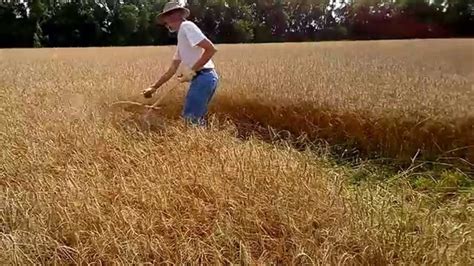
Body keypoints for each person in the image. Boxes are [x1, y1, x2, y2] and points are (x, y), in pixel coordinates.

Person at [142, 1, 219, 126]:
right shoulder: (182, 38)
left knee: (191, 119)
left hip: (204, 77)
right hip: (203, 78)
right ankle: (201, 142)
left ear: (174, 16)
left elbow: (211, 49)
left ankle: (199, 144)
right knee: (194, 118)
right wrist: (154, 87)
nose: (166, 24)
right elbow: (172, 69)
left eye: (166, 21)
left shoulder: (187, 26)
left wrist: (192, 71)